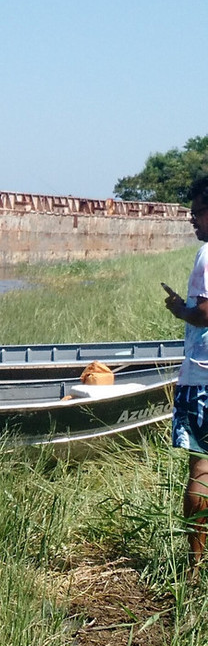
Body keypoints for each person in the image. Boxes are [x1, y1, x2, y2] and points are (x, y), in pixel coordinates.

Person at [166, 174, 208, 571]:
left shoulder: (207, 255)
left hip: (202, 379)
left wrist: (180, 309)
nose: (192, 219)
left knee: (202, 469)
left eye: (197, 212)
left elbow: (205, 313)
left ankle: (194, 567)